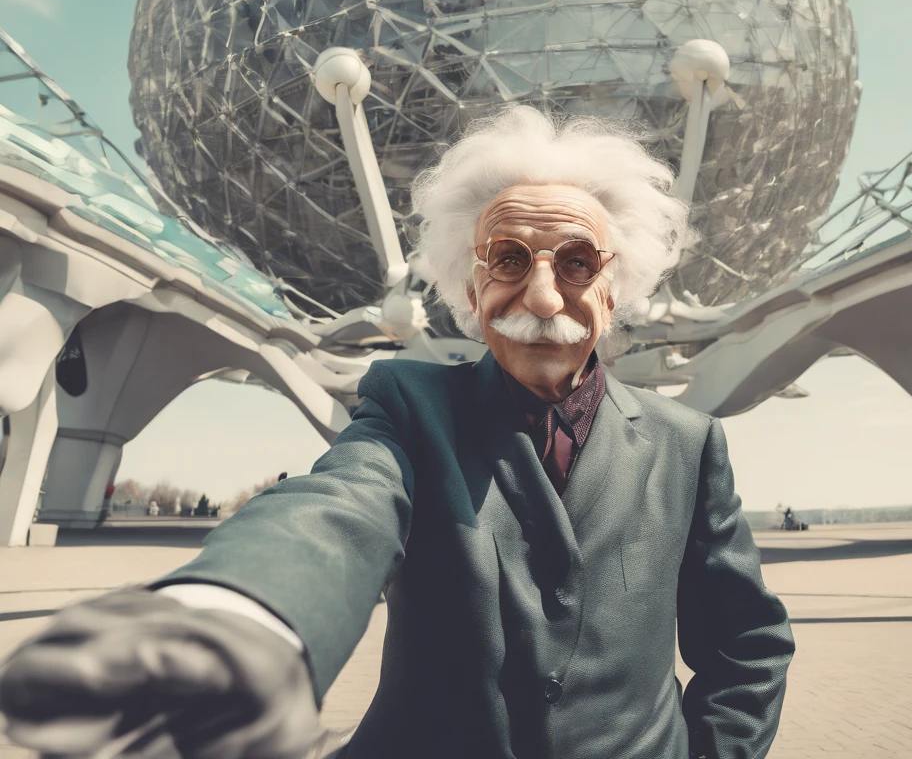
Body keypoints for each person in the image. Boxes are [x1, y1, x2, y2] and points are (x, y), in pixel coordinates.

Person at [0, 106, 794, 759]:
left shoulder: (688, 443)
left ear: (615, 291)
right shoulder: (411, 405)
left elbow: (748, 644)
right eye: (509, 258)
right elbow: (338, 510)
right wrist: (234, 620)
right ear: (469, 285)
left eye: (579, 262)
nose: (545, 296)